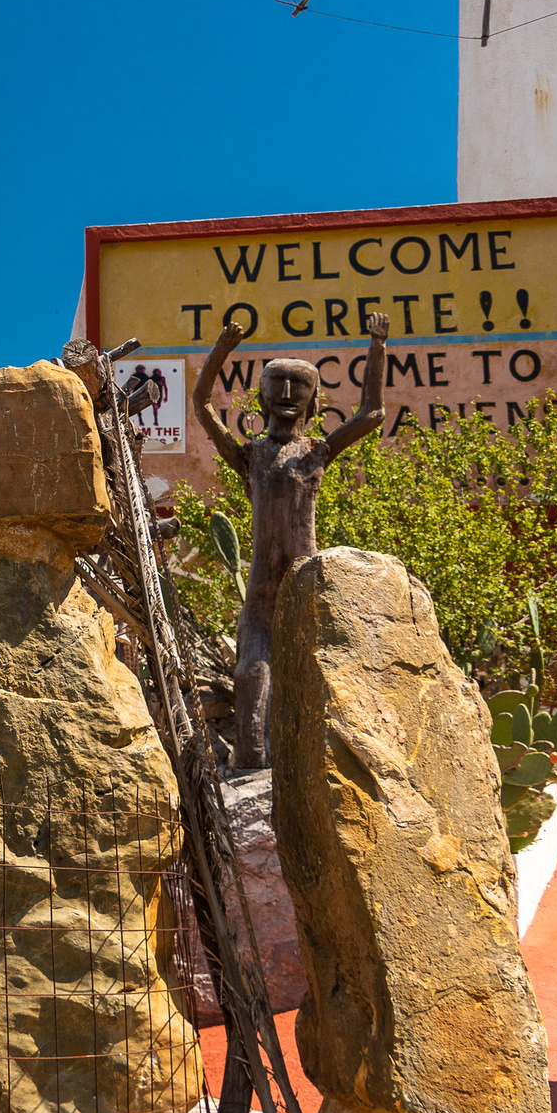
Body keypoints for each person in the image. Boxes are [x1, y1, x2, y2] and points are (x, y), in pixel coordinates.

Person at [193, 310, 388, 771]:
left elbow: (373, 413)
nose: (285, 394)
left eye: (298, 386)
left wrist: (377, 347)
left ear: (314, 399)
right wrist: (223, 348)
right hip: (260, 595)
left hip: (305, 588)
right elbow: (201, 403)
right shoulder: (251, 455)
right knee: (249, 674)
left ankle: (307, 769)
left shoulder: (317, 452)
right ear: (260, 396)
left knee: (308, 679)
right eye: (276, 384)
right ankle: (253, 767)